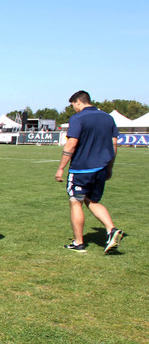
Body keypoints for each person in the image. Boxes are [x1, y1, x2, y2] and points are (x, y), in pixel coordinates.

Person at [55, 90, 123, 253]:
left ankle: (78, 243)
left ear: (79, 101)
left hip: (82, 169)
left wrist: (61, 168)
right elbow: (114, 145)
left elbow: (71, 145)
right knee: (92, 201)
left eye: (73, 106)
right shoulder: (108, 118)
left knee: (75, 201)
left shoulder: (78, 118)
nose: (74, 109)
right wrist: (110, 167)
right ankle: (111, 230)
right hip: (101, 168)